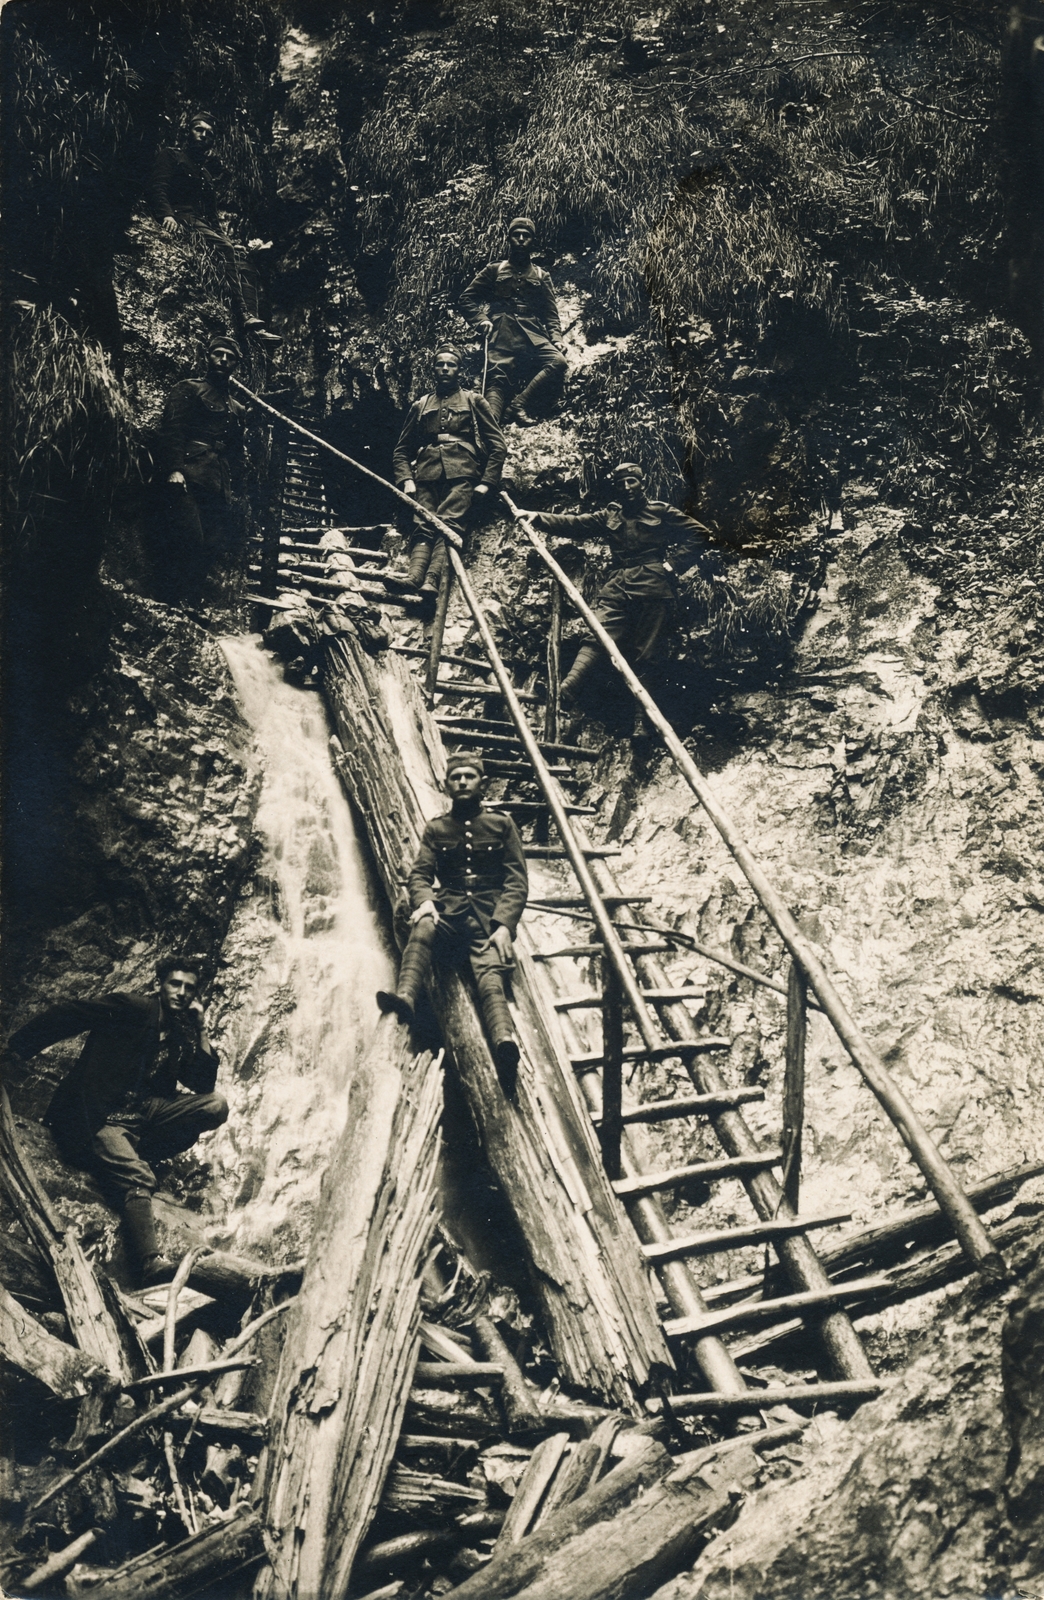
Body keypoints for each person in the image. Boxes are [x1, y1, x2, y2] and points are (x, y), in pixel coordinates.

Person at [6, 956, 228, 1286]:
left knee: (216, 1106)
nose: (181, 992)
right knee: (138, 1175)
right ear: (161, 984)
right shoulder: (132, 1008)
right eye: (174, 983)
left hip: (140, 1116)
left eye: (189, 988)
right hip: (98, 1115)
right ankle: (151, 1263)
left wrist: (200, 1028)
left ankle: (136, 1152)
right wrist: (18, 1049)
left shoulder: (181, 1031)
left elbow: (203, 1084)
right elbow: (70, 1014)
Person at [377, 754, 528, 1094]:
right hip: (451, 916)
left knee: (490, 977)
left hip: (488, 921)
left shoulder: (502, 825)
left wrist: (504, 924)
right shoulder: (436, 828)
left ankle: (505, 1046)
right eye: (456, 776)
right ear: (446, 785)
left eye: (469, 776)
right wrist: (426, 901)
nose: (462, 781)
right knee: (424, 925)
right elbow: (419, 875)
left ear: (481, 783)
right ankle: (405, 997)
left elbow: (517, 881)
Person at [521, 462, 717, 715]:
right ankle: (567, 688)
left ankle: (641, 722)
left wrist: (672, 565)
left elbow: (700, 534)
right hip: (617, 587)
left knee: (647, 653)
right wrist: (537, 517)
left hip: (652, 586)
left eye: (631, 481)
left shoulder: (661, 511)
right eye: (621, 483)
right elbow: (576, 524)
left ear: (642, 482)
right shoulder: (610, 515)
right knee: (597, 632)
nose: (626, 488)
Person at [149, 112, 281, 345]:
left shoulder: (205, 175)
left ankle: (256, 329)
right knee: (225, 248)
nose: (203, 136)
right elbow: (158, 187)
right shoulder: (171, 156)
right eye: (199, 130)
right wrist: (166, 215)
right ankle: (242, 313)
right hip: (181, 217)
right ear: (187, 131)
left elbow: (212, 217)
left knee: (243, 261)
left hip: (200, 225)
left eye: (209, 134)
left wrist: (228, 240)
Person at [392, 343, 506, 600]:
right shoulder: (420, 405)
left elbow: (498, 446)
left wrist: (487, 482)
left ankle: (432, 579)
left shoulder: (474, 401)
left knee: (449, 522)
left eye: (451, 364)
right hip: (426, 473)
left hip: (463, 472)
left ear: (459, 369)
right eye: (440, 364)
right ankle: (414, 576)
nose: (445, 368)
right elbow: (401, 450)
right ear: (433, 369)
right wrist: (406, 479)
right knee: (423, 523)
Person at [156, 335, 248, 603]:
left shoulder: (237, 408)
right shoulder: (189, 389)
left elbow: (235, 452)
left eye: (230, 357)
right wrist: (174, 469)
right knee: (188, 538)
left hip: (217, 483)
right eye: (218, 354)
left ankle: (191, 603)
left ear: (236, 365)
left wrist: (236, 488)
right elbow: (172, 432)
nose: (223, 360)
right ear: (207, 357)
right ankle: (170, 599)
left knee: (212, 545)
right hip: (188, 475)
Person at [460, 218, 567, 426]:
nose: (520, 239)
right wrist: (481, 320)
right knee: (496, 380)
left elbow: (550, 313)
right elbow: (466, 298)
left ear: (532, 241)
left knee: (558, 361)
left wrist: (556, 338)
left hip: (532, 335)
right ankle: (490, 428)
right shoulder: (494, 270)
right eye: (516, 235)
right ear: (508, 239)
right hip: (501, 334)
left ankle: (519, 405)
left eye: (525, 236)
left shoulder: (541, 275)